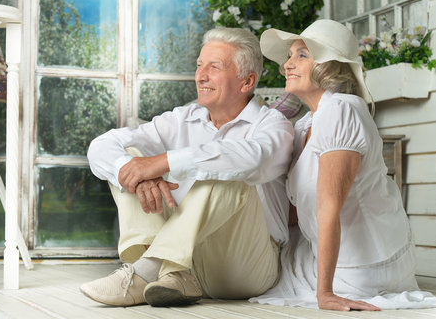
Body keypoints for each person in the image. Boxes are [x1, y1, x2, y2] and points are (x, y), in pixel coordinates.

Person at [81, 27, 294, 307]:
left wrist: (163, 162)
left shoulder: (272, 125)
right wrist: (137, 173)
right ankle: (165, 270)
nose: (200, 76)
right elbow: (100, 146)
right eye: (199, 65)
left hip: (245, 265)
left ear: (246, 81)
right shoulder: (183, 118)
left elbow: (253, 159)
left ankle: (145, 271)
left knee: (227, 169)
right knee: (129, 159)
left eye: (214, 67)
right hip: (185, 264)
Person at [250, 19, 436, 310]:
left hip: (364, 266)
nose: (287, 65)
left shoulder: (340, 110)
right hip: (334, 254)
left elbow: (329, 205)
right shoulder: (307, 123)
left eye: (302, 55)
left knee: (251, 271)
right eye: (290, 56)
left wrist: (325, 293)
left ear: (328, 67)